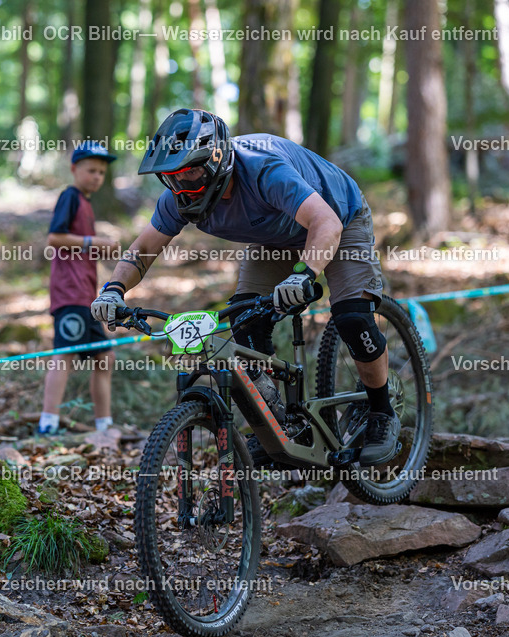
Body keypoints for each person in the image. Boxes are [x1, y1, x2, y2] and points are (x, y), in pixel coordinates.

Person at [90, 109, 399, 464]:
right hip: (274, 237)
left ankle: (381, 411)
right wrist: (114, 289)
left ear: (217, 160)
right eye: (172, 177)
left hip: (338, 219)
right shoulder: (179, 198)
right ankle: (282, 428)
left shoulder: (263, 169)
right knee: (247, 321)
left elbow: (324, 222)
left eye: (190, 172)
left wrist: (305, 273)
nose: (182, 185)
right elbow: (143, 248)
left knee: (352, 318)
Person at [39, 142, 121, 435]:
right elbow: (55, 238)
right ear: (74, 169)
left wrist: (101, 250)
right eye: (91, 170)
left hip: (88, 297)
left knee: (105, 357)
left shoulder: (86, 204)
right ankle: (47, 424)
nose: (97, 176)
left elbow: (79, 246)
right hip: (69, 294)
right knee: (65, 355)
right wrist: (92, 242)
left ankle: (104, 425)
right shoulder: (70, 197)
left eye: (101, 172)